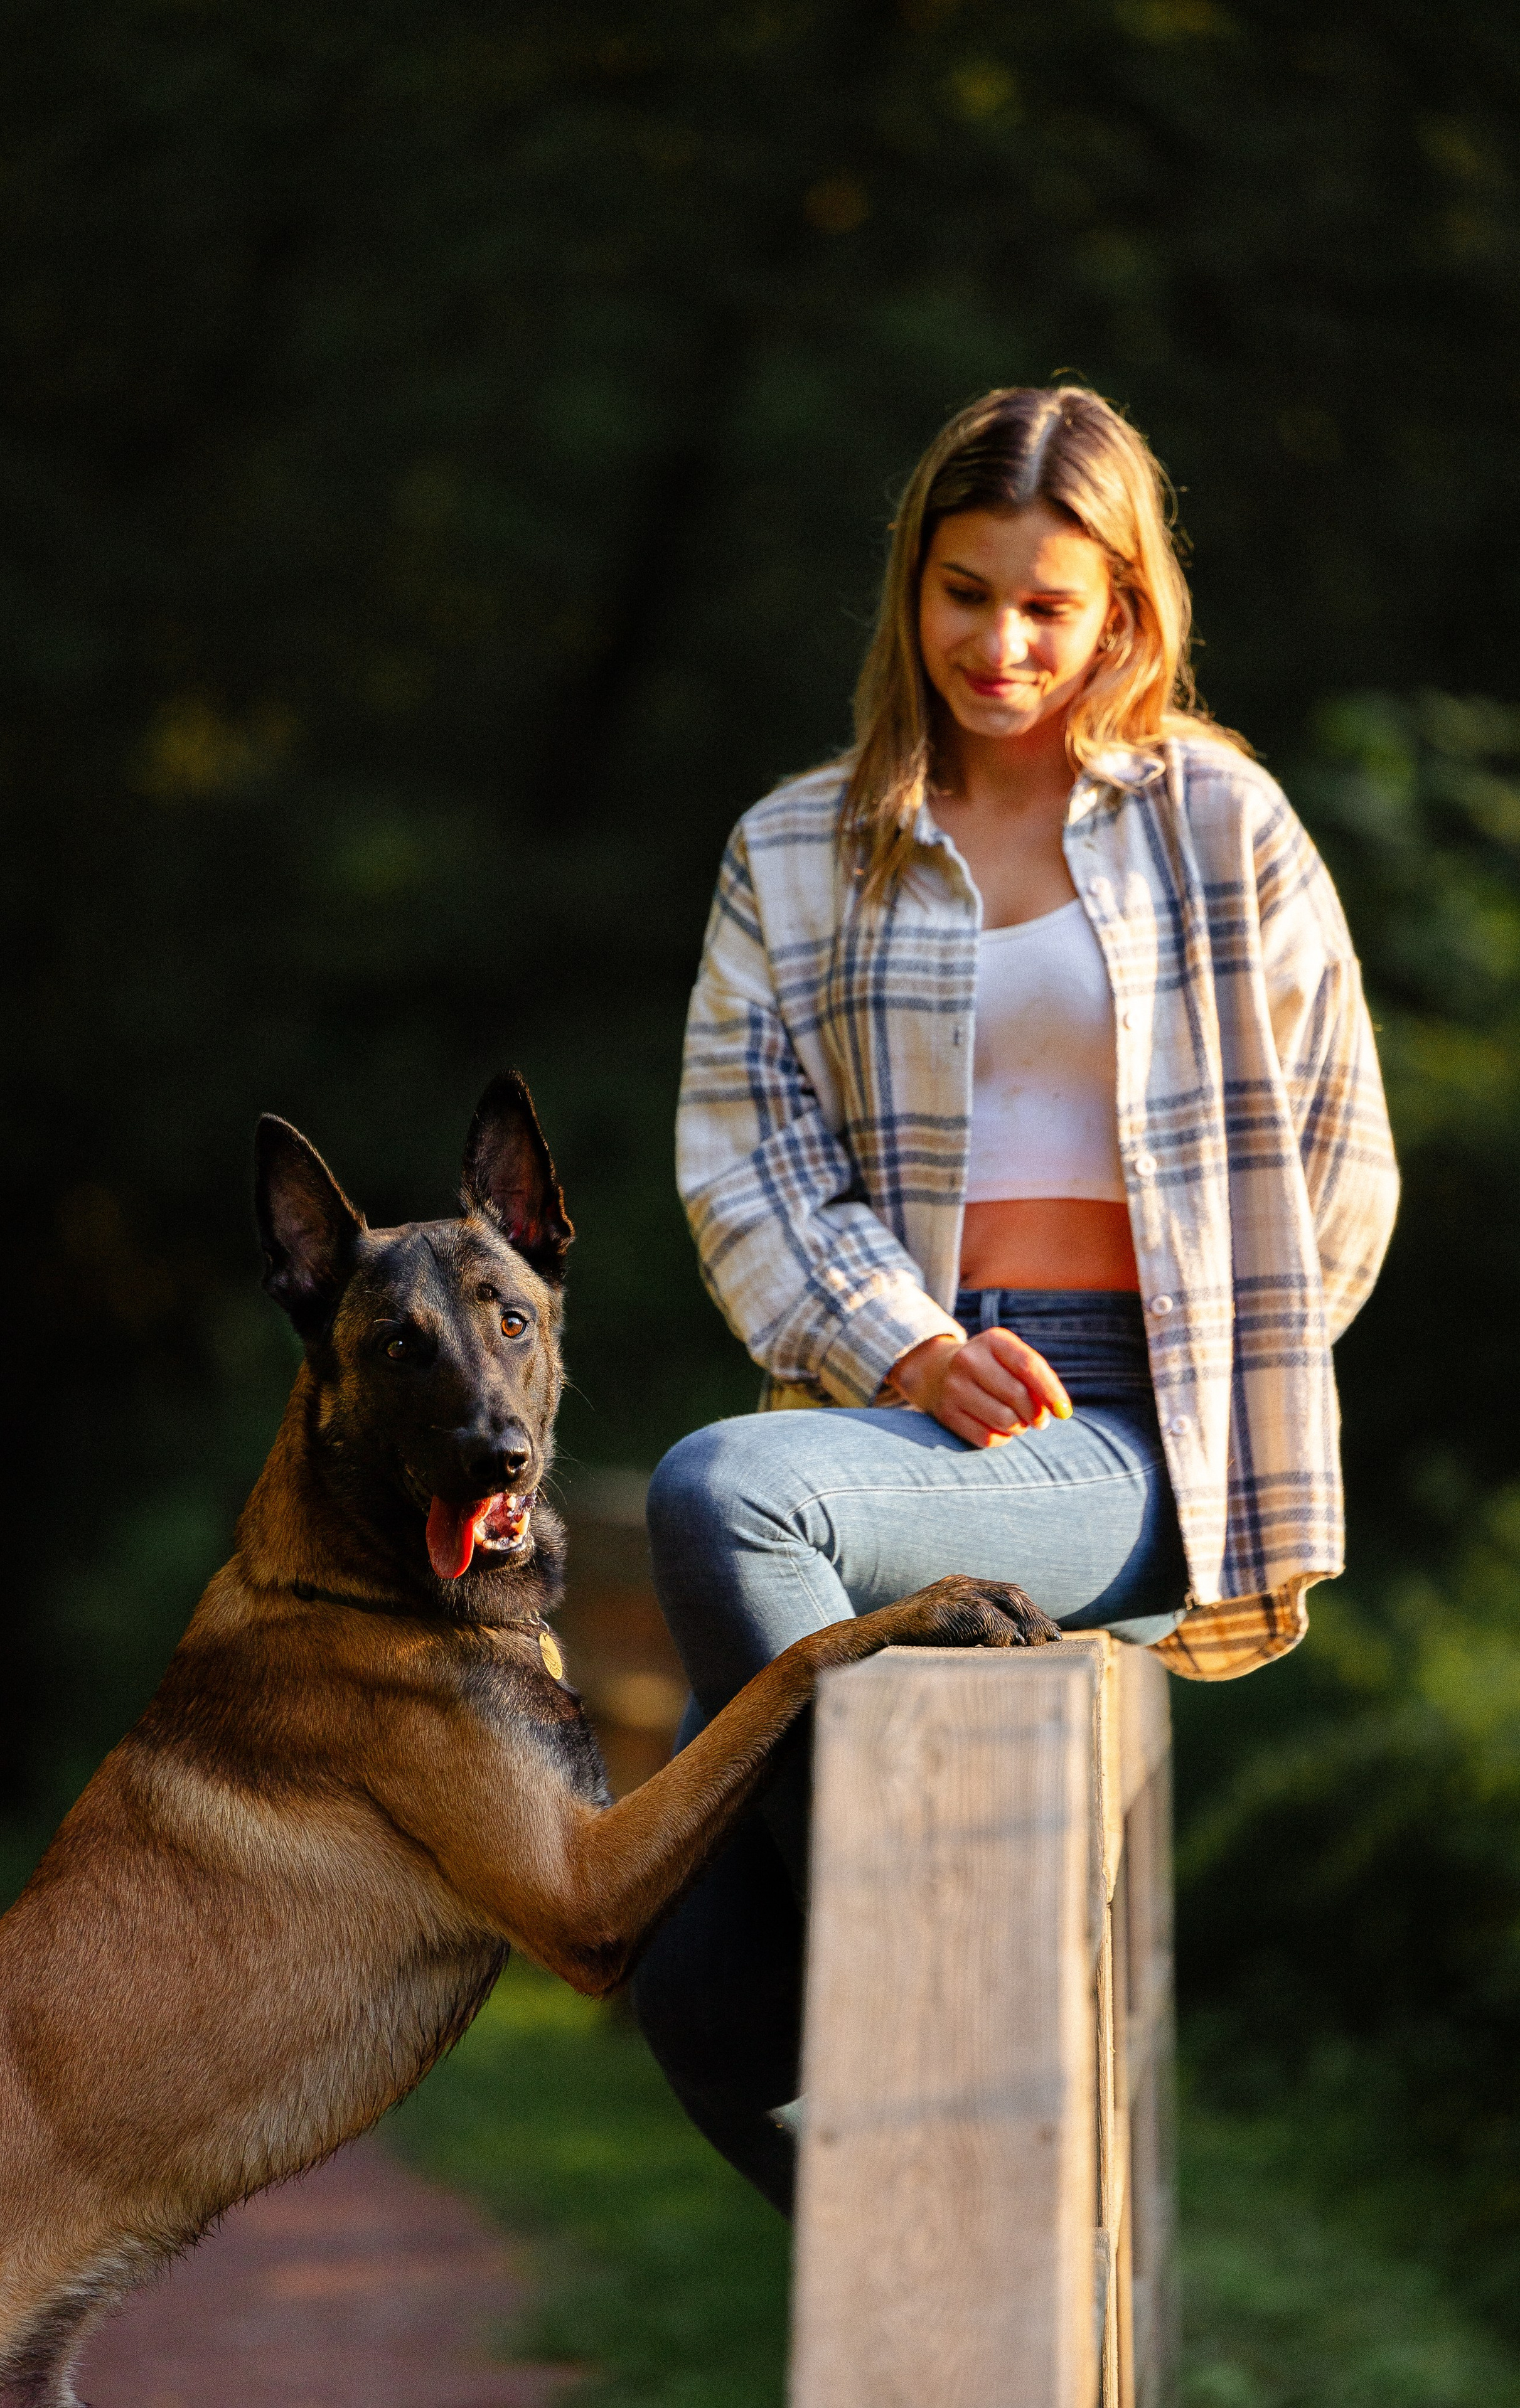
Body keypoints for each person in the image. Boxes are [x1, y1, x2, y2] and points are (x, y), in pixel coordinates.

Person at [629, 385, 1399, 2213]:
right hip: (896, 1410)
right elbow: (742, 1159)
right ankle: (927, 2217)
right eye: (965, 593)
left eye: (1051, 604)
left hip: (1131, 1430)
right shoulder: (799, 848)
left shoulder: (1225, 827)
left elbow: (1342, 1162)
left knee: (721, 1493)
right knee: (696, 1993)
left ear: (1125, 609)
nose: (1002, 643)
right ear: (914, 587)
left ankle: (945, 1987)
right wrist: (896, 1334)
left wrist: (1226, 1394)